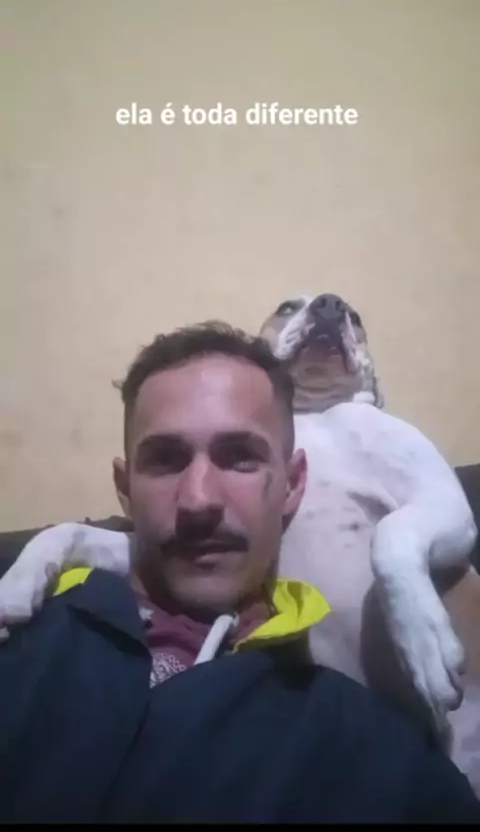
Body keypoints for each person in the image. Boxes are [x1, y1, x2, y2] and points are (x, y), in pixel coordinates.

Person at [0, 321, 479, 823]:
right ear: (125, 488)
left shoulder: (361, 740)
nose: (199, 500)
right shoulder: (32, 632)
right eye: (165, 460)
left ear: (293, 484)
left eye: (240, 459)